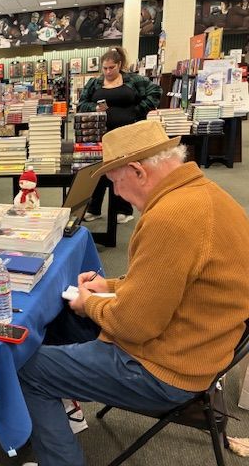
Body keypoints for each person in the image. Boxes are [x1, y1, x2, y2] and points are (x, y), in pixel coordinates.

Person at [19, 120, 249, 466]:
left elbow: (134, 326)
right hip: (200, 348)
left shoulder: (170, 218)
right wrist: (110, 286)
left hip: (164, 371)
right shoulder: (208, 196)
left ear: (138, 172)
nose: (118, 194)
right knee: (62, 321)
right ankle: (67, 410)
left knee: (25, 367)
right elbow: (174, 280)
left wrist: (90, 303)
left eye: (115, 182)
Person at [77, 46, 161, 224]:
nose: (108, 72)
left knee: (125, 170)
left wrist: (139, 110)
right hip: (99, 134)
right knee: (97, 170)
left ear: (119, 65)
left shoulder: (133, 80)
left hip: (126, 134)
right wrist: (94, 108)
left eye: (111, 68)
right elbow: (82, 103)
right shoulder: (94, 83)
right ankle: (93, 208)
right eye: (105, 68)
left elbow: (155, 92)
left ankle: (123, 209)